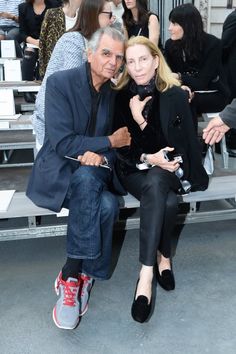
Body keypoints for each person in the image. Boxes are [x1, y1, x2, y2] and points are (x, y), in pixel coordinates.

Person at [26, 26, 131, 330]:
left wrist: (103, 152)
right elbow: (61, 142)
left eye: (119, 57)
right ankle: (78, 274)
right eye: (106, 53)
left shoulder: (114, 94)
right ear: (89, 53)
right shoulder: (60, 83)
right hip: (58, 173)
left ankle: (73, 276)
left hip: (94, 173)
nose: (113, 61)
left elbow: (123, 142)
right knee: (107, 205)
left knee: (91, 181)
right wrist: (105, 143)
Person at [114, 36, 209, 323]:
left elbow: (176, 145)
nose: (138, 67)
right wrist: (147, 157)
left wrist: (141, 121)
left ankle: (145, 277)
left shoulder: (176, 95)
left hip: (172, 168)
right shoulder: (118, 97)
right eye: (131, 61)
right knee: (164, 199)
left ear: (156, 61)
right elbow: (124, 148)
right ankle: (160, 258)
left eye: (143, 59)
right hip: (134, 170)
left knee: (159, 180)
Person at [32, 0, 114, 151]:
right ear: (94, 15)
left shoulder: (92, 43)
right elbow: (74, 88)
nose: (112, 20)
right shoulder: (74, 40)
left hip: (74, 129)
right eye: (109, 15)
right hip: (55, 128)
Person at [165, 3, 229, 122]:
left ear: (187, 26)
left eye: (174, 24)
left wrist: (179, 76)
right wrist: (181, 85)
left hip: (213, 94)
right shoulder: (170, 45)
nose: (169, 28)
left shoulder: (213, 44)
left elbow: (202, 82)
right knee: (176, 98)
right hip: (184, 91)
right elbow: (168, 76)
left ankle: (191, 140)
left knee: (184, 100)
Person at [18, 0, 59, 89]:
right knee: (29, 54)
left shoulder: (55, 5)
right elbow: (22, 33)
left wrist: (45, 42)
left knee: (47, 54)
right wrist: (36, 42)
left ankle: (44, 88)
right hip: (32, 42)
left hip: (50, 43)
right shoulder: (23, 7)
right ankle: (27, 89)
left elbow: (57, 28)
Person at [39, 0, 82, 79]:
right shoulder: (52, 14)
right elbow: (43, 43)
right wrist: (43, 71)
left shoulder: (82, 18)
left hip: (75, 69)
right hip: (55, 68)